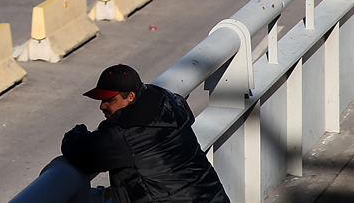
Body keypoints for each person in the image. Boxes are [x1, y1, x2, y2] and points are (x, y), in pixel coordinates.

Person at [61, 65, 229, 203]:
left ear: (131, 96)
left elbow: (80, 152)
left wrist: (78, 131)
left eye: (110, 100)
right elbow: (186, 113)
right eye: (101, 100)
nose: (102, 106)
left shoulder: (123, 132)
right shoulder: (166, 98)